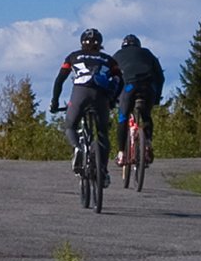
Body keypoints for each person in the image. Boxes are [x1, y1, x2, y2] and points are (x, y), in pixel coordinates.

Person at [49, 28, 122, 186]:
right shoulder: (109, 60)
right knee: (102, 134)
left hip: (80, 93)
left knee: (70, 126)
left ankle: (77, 148)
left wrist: (54, 102)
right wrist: (112, 100)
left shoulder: (73, 56)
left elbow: (59, 80)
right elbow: (120, 80)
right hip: (100, 96)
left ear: (82, 42)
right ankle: (102, 171)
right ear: (100, 44)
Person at [112, 33, 165, 167]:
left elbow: (112, 78)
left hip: (129, 87)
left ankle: (121, 154)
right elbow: (160, 77)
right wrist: (157, 98)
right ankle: (147, 143)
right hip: (148, 88)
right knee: (146, 115)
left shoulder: (117, 55)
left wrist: (112, 99)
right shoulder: (147, 53)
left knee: (123, 118)